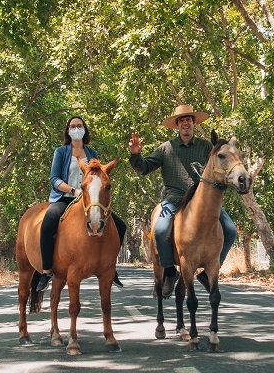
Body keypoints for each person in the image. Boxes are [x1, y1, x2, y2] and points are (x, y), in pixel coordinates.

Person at [128, 104, 237, 298]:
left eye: (189, 119)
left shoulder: (206, 147)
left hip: (202, 203)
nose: (185, 123)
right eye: (182, 120)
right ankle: (170, 271)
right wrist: (136, 155)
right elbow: (144, 168)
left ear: (194, 123)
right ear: (177, 125)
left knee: (230, 230)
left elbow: (220, 166)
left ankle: (209, 271)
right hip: (174, 199)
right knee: (160, 231)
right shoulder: (166, 148)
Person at [36, 116, 127, 291]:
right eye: (73, 126)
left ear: (84, 129)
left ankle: (110, 268)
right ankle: (46, 270)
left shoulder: (92, 153)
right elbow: (54, 179)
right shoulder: (61, 152)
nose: (76, 129)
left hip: (90, 201)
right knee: (48, 223)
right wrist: (73, 190)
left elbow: (98, 177)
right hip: (65, 198)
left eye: (80, 126)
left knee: (120, 226)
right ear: (68, 131)